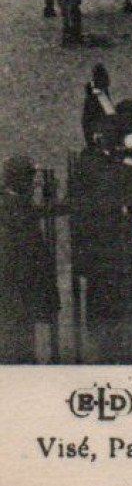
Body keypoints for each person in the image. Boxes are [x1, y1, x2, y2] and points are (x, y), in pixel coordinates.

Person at [0, 155, 56, 363]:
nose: (34, 184)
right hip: (16, 284)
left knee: (20, 335)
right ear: (19, 179)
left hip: (18, 285)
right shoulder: (13, 206)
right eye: (30, 178)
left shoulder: (14, 202)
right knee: (17, 338)